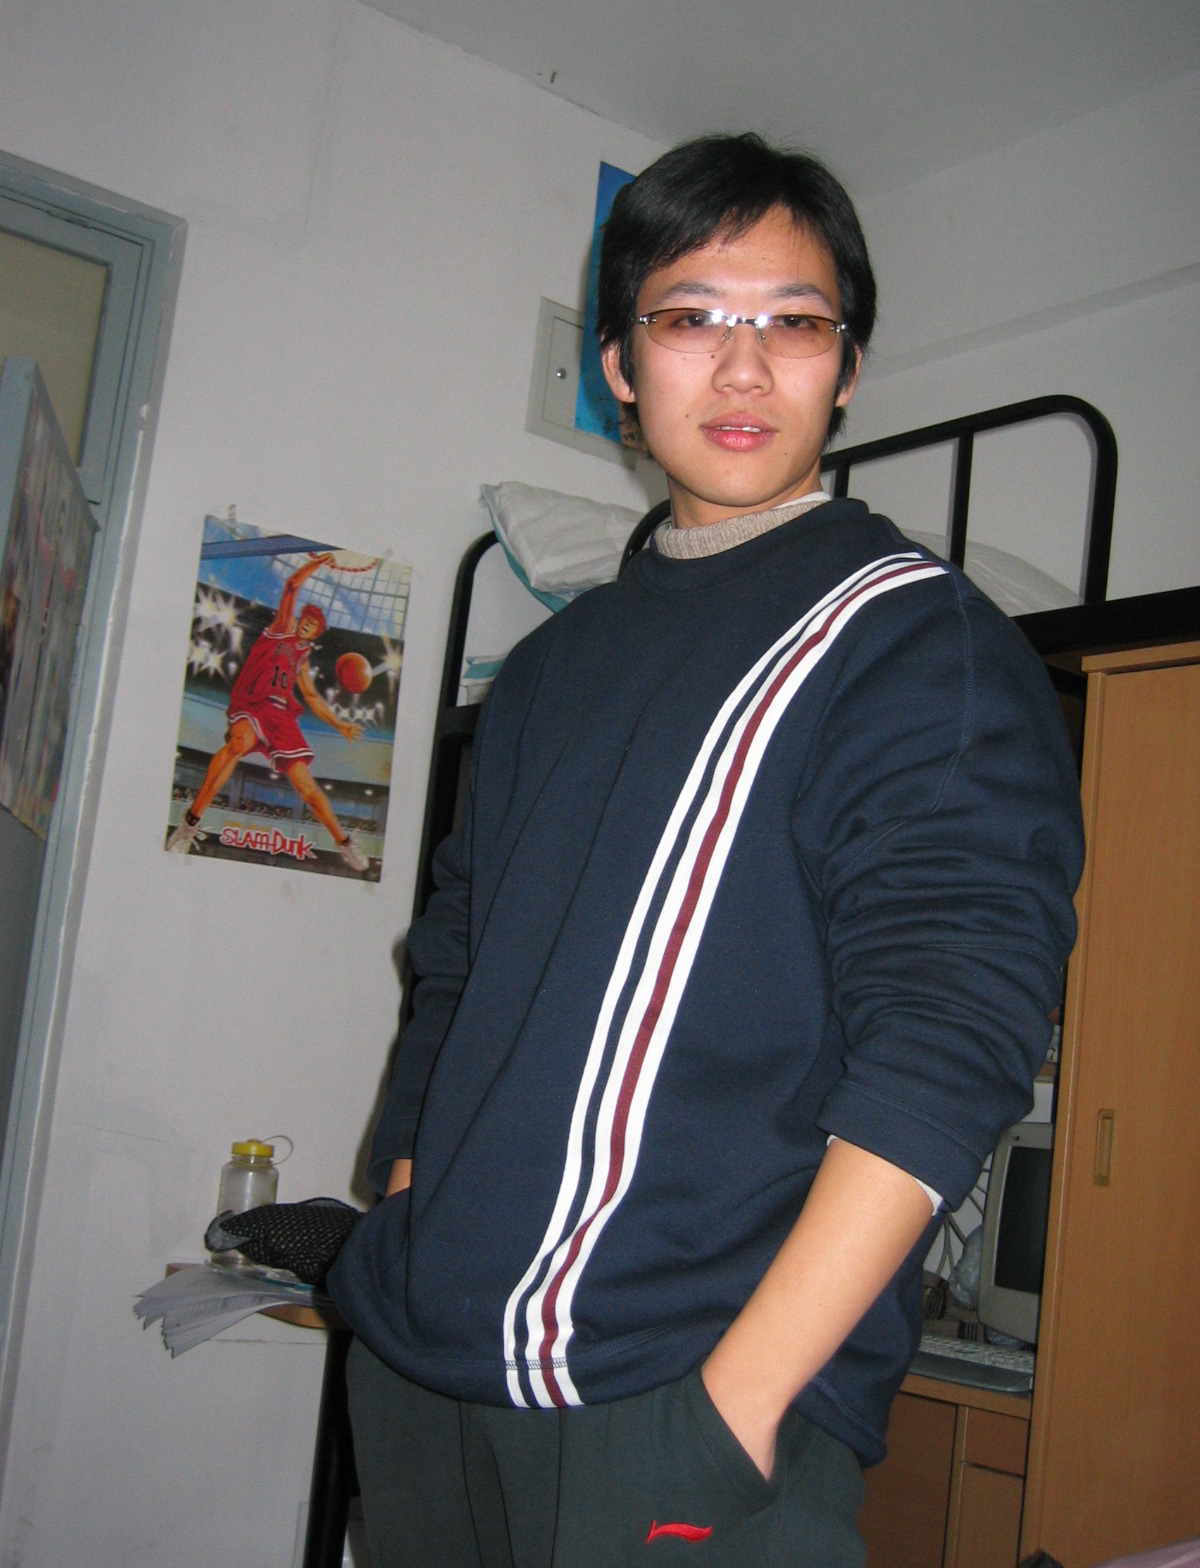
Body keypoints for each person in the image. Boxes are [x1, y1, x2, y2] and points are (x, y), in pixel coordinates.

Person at [328, 134, 1084, 1566]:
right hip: (426, 1366)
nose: (744, 370)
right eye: (690, 319)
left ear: (846, 369)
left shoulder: (916, 641)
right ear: (621, 363)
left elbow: (951, 1035)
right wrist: (408, 1201)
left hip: (683, 1399)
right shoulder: (551, 668)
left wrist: (735, 1407)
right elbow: (457, 958)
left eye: (794, 324)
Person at [167, 553, 368, 872]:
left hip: (281, 718)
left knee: (307, 788)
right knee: (237, 744)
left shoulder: (302, 658)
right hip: (253, 704)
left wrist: (339, 724)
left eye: (313, 625)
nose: (306, 624)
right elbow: (291, 584)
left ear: (315, 634)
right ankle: (189, 824)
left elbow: (312, 697)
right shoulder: (281, 628)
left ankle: (345, 843)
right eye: (306, 619)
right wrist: (318, 563)